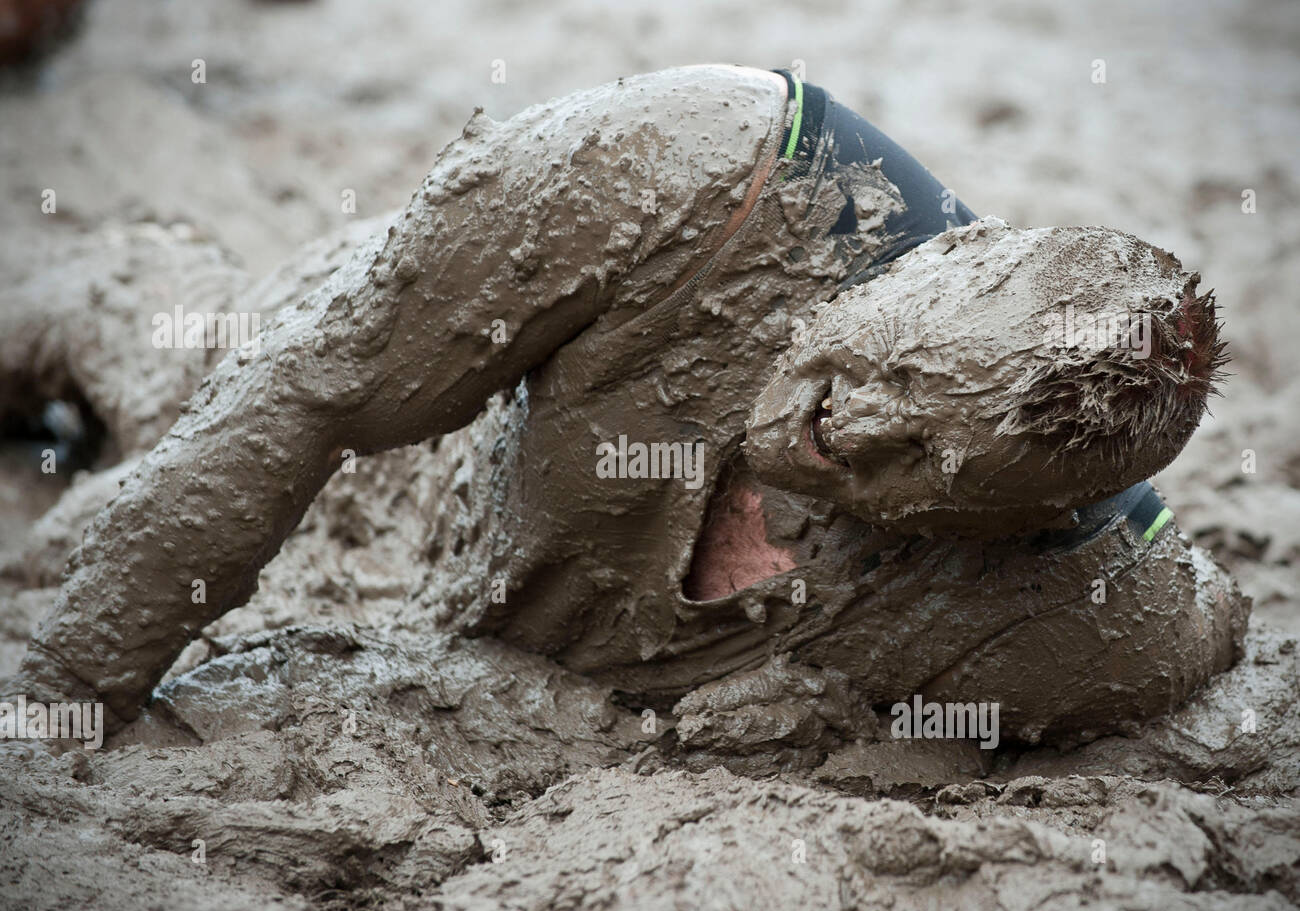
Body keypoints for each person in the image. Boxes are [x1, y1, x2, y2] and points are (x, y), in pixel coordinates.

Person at [18, 65, 1245, 748]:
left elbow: (1212, 625)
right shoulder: (694, 162)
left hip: (464, 640)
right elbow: (306, 389)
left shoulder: (1084, 614)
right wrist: (66, 690)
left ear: (1004, 530)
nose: (853, 431)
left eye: (924, 458)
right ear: (936, 260)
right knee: (148, 350)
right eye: (893, 377)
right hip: (375, 450)